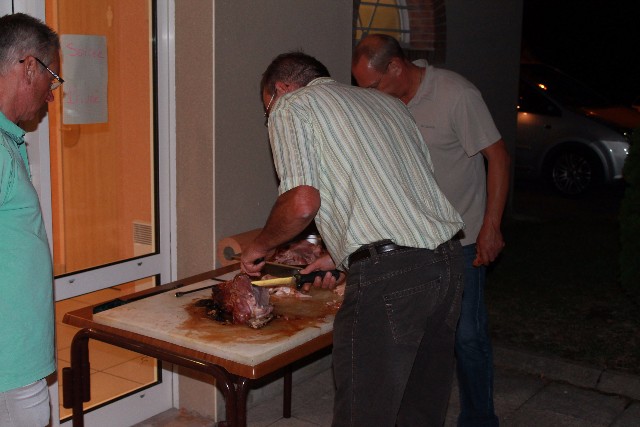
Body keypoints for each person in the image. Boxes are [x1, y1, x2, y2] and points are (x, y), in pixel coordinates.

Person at [241, 51, 465, 426]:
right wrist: (340, 254)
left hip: (392, 277)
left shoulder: (293, 104)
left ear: (281, 88)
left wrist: (260, 246)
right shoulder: (389, 104)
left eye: (268, 111)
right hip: (446, 264)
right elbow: (401, 194)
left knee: (364, 414)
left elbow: (301, 203)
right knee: (420, 409)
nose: (271, 118)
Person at [352, 34, 510, 427]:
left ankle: (479, 419)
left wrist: (491, 226)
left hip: (461, 239)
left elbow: (499, 158)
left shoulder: (456, 94)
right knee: (414, 336)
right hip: (409, 241)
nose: (367, 95)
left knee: (467, 334)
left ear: (395, 67)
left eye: (372, 85)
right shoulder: (384, 103)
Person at [0, 12, 62, 427]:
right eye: (51, 77)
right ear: (28, 67)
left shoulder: (7, 139)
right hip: (8, 364)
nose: (51, 95)